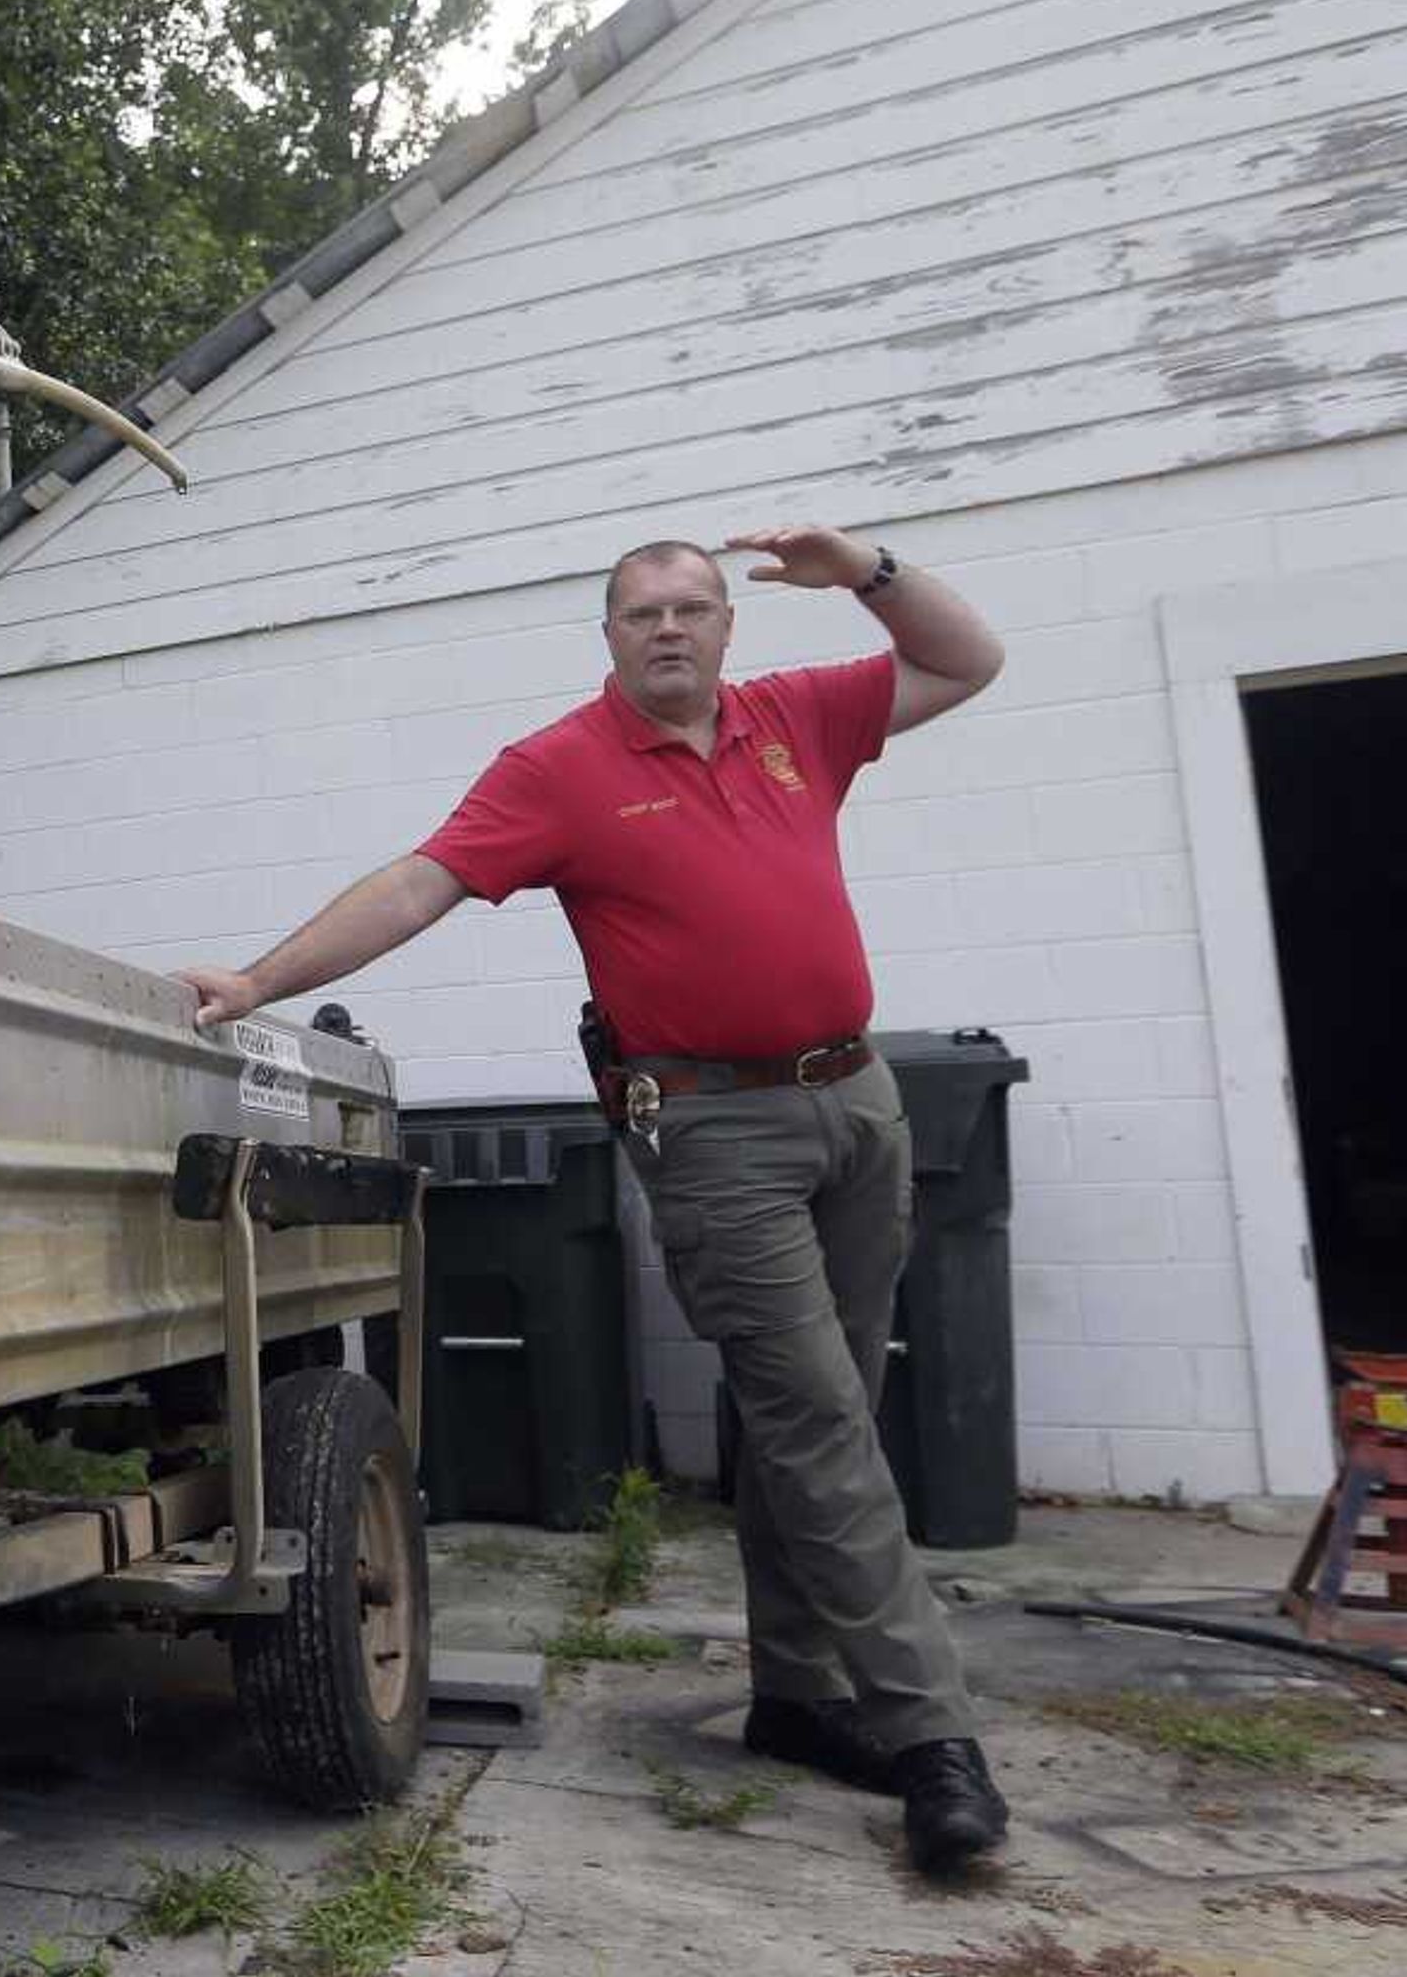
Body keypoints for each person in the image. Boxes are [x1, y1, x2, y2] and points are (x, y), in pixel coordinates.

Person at [174, 524, 1013, 1875]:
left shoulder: (801, 713)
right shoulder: (559, 770)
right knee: (823, 1428)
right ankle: (935, 1740)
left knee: (822, 1420)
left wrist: (863, 563)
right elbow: (416, 883)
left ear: (731, 623)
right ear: (610, 636)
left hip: (858, 1105)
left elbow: (968, 658)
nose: (669, 628)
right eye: (641, 613)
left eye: (692, 607)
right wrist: (259, 983)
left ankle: (797, 1696)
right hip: (713, 1127)